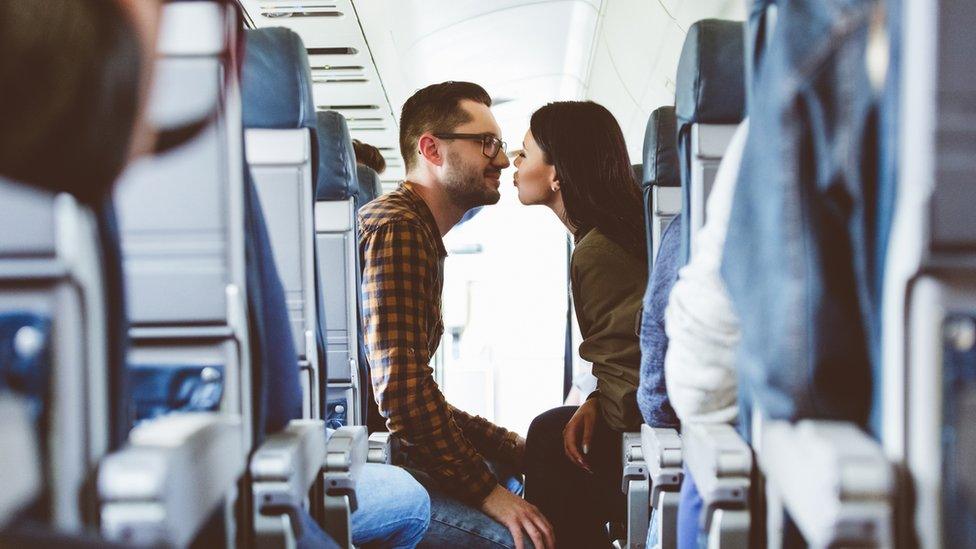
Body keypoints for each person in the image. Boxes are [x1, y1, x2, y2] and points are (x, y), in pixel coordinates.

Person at [359, 81, 555, 549]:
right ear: (432, 148)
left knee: (511, 475)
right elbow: (402, 390)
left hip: (386, 449)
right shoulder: (400, 228)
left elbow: (414, 392)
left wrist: (510, 446)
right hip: (370, 462)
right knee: (517, 539)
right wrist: (487, 494)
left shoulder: (414, 228)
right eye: (486, 143)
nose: (503, 160)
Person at [514, 101, 648, 549]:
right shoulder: (619, 233)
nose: (514, 162)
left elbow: (629, 395)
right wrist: (594, 398)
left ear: (557, 173)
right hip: (649, 420)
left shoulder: (597, 251)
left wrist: (601, 405)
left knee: (551, 436)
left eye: (526, 153)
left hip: (645, 436)